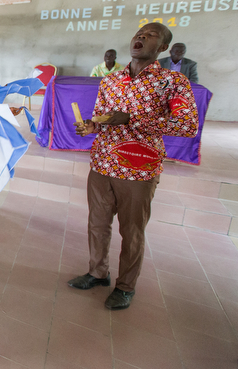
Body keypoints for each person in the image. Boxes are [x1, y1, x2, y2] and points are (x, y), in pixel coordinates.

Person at [67, 23, 198, 310]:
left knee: (132, 231)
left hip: (138, 170)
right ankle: (97, 273)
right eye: (138, 33)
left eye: (151, 35)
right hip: (102, 165)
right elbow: (102, 119)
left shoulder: (173, 82)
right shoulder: (111, 81)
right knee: (97, 224)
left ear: (162, 48)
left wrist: (132, 120)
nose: (140, 36)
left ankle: (125, 286)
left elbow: (187, 125)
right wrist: (90, 126)